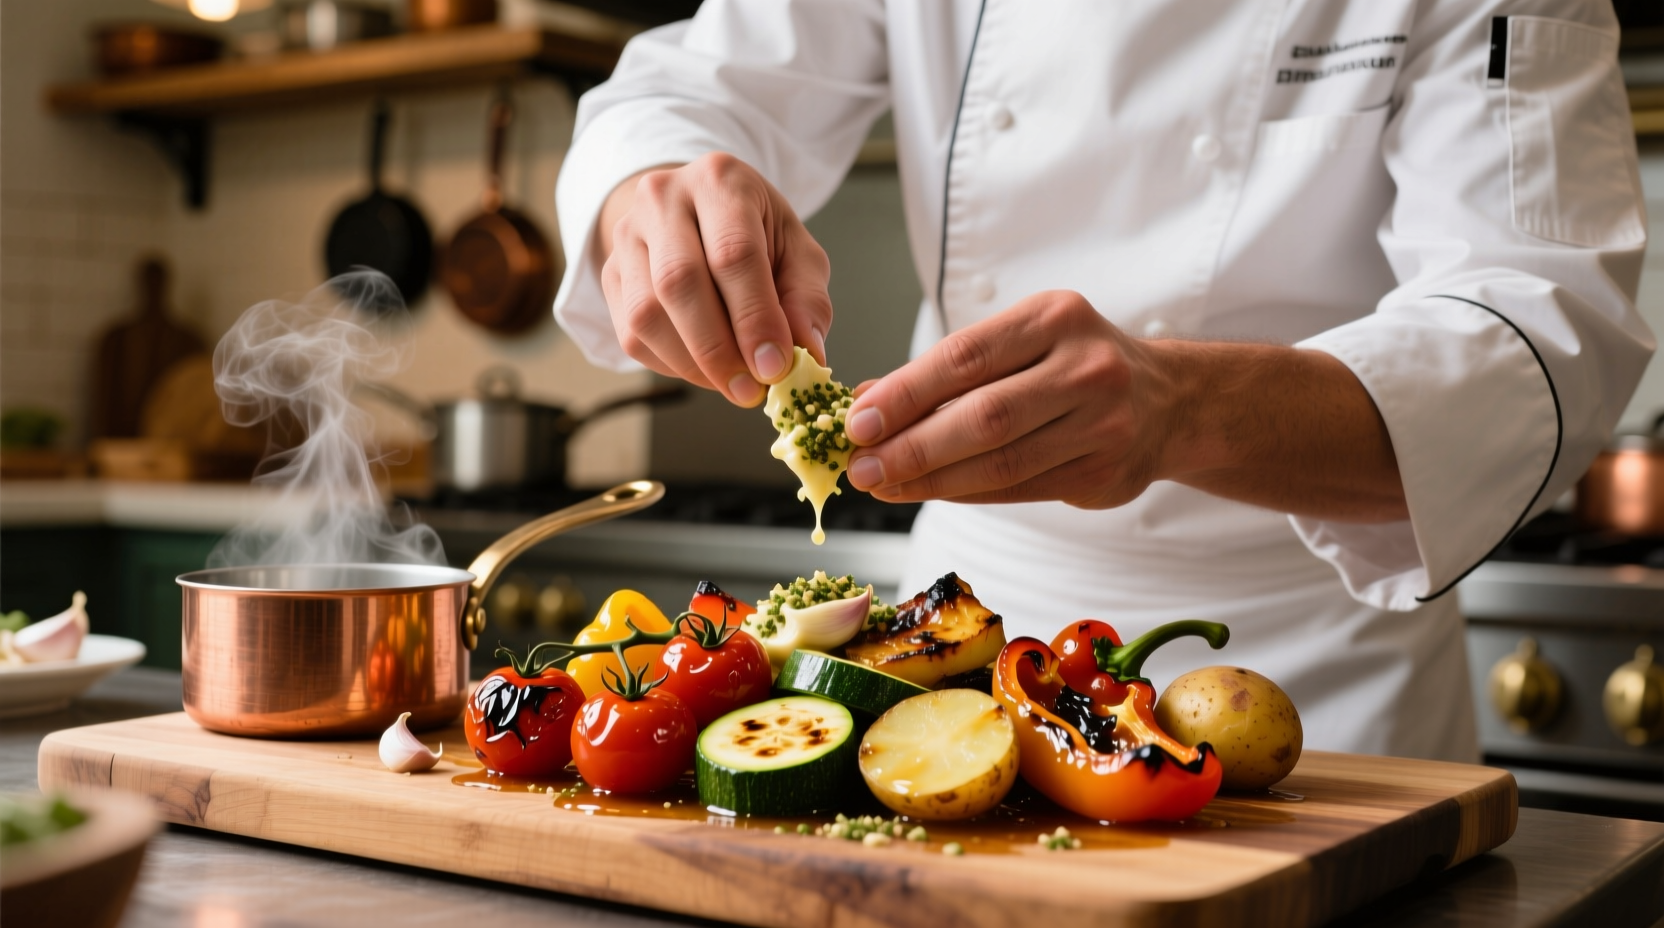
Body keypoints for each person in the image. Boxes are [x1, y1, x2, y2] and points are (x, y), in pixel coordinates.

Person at [552, 0, 1653, 761]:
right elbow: (694, 81)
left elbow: (1541, 330)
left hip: (1311, 674)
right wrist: (650, 190)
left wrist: (1182, 409)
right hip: (956, 638)